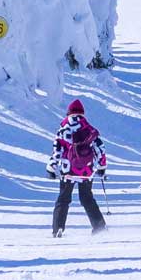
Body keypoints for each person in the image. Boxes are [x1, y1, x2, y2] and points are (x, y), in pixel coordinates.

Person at [46, 98, 109, 236]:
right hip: (86, 170)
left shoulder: (63, 130)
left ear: (68, 113)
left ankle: (58, 229)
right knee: (87, 198)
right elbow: (100, 149)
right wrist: (102, 166)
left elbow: (57, 151)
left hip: (67, 171)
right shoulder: (90, 130)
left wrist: (51, 168)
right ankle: (99, 227)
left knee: (63, 199)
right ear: (82, 113)